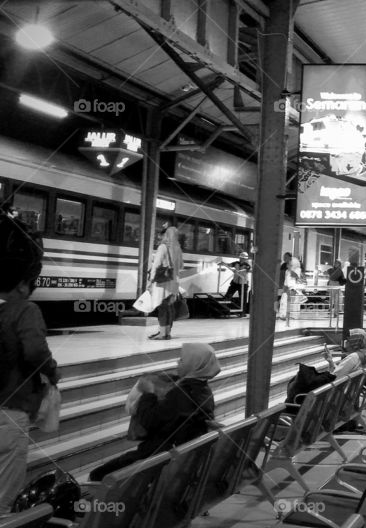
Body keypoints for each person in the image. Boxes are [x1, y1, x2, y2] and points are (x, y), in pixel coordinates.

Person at [89, 343, 220, 481]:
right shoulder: (203, 390)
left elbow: (149, 421)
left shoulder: (181, 394)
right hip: (183, 455)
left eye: (182, 360)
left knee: (97, 474)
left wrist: (148, 392)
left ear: (193, 365)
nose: (177, 362)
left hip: (159, 456)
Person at [0, 215, 59, 514]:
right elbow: (36, 352)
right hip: (10, 411)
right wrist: (53, 372)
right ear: (23, 283)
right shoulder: (24, 310)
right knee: (4, 494)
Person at [149, 226, 183, 340]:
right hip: (174, 281)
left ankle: (162, 334)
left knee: (162, 307)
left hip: (163, 281)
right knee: (169, 307)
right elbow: (181, 266)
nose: (161, 237)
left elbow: (156, 264)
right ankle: (167, 332)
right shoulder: (178, 248)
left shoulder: (163, 247)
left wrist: (151, 280)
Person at [222, 250, 251, 314]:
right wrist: (223, 264)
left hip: (243, 284)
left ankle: (242, 313)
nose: (242, 259)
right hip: (235, 283)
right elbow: (230, 265)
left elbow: (246, 269)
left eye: (244, 258)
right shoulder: (236, 263)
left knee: (243, 299)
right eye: (241, 258)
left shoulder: (247, 264)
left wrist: (239, 271)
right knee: (228, 295)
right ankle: (224, 309)